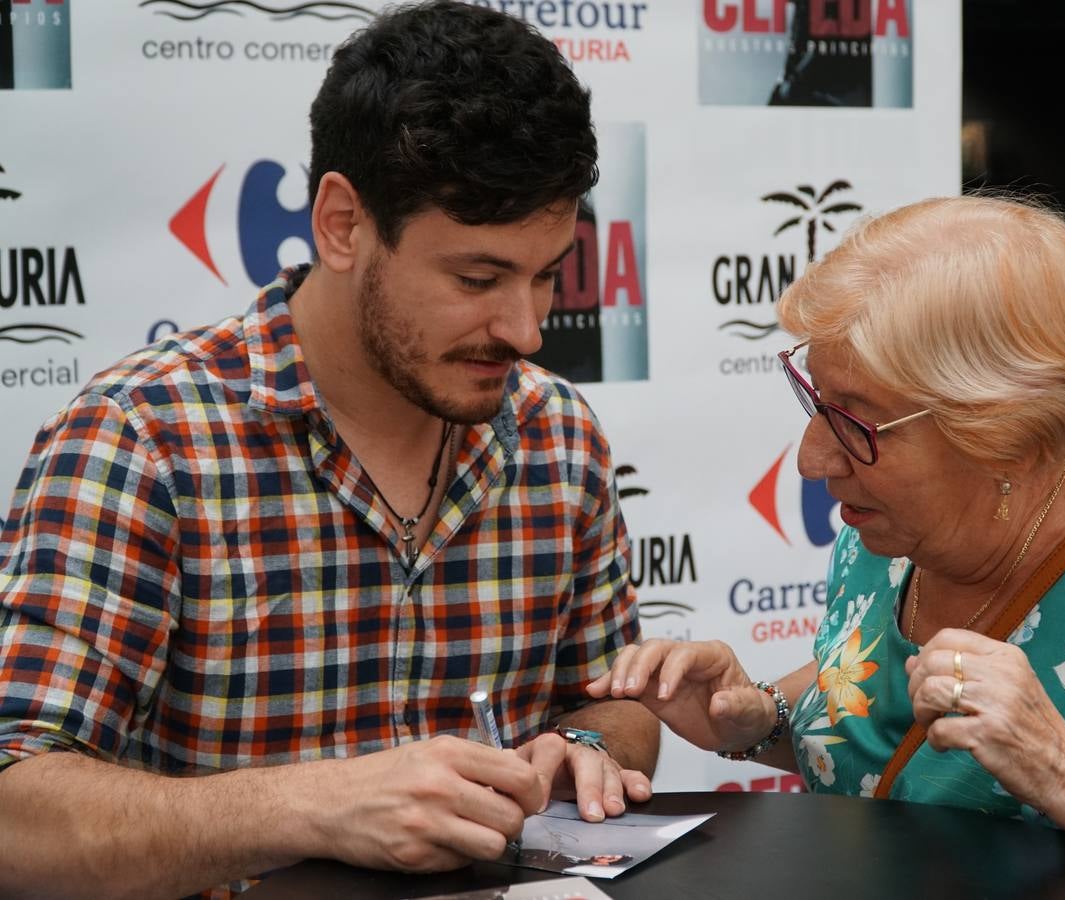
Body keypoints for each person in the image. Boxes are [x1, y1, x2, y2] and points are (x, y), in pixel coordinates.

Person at [0, 3, 658, 897]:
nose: (528, 330)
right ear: (343, 223)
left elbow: (614, 703)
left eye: (547, 275)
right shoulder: (144, 438)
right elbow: (15, 811)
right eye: (477, 278)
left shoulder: (558, 435)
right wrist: (308, 807)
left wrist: (583, 748)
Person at [592, 197, 1065, 898]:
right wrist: (754, 718)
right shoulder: (893, 521)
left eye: (854, 420)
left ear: (1002, 432)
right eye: (815, 401)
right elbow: (884, 715)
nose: (812, 459)